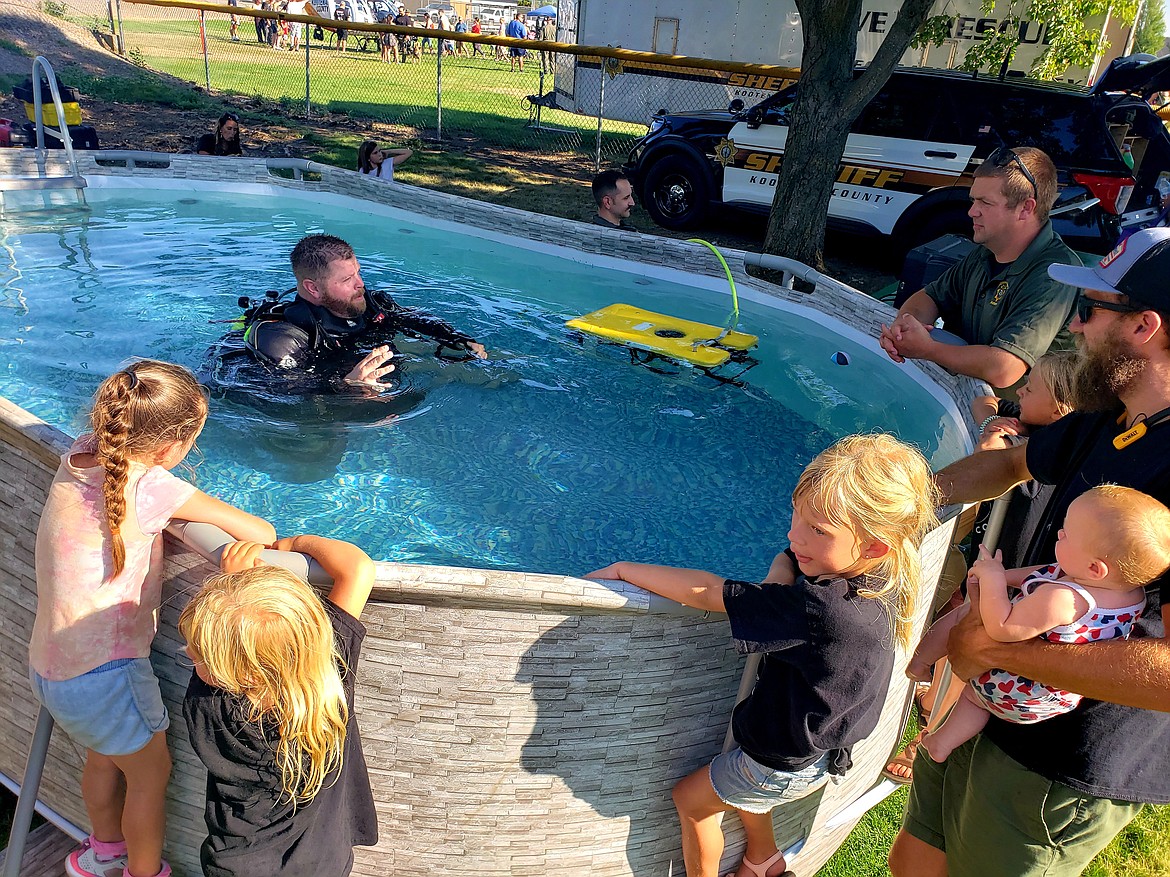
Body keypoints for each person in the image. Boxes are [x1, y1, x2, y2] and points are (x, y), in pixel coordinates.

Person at [888, 226, 1170, 877]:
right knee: (913, 863)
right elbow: (1013, 462)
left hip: (1060, 756)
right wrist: (896, 510)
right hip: (993, 697)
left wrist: (997, 647)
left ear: (1144, 326)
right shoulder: (1116, 411)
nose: (1073, 324)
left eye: (1092, 309)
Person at [589, 434, 939, 877]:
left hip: (779, 762)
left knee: (693, 801)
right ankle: (763, 860)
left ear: (874, 545)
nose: (795, 536)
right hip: (820, 749)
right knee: (743, 786)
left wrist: (625, 571)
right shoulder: (884, 575)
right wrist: (786, 568)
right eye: (797, 515)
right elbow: (790, 570)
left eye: (818, 531)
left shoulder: (818, 608)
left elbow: (708, 592)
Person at [29, 360, 276, 877]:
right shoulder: (154, 488)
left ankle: (101, 855)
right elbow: (259, 529)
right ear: (171, 448)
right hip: (108, 675)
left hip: (50, 668)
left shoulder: (80, 454)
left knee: (104, 757)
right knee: (148, 777)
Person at [882, 349, 1080, 785]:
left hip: (1017, 580)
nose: (1021, 392)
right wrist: (993, 425)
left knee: (972, 653)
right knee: (954, 627)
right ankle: (930, 689)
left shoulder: (1056, 459)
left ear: (1061, 410)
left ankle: (933, 732)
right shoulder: (1031, 418)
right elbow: (984, 402)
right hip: (988, 563)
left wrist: (1002, 450)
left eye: (1031, 390)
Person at [913, 485, 1165, 764]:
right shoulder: (1128, 594)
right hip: (1054, 696)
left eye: (1067, 534)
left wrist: (993, 578)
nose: (1059, 533)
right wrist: (1008, 576)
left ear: (1095, 568)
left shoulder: (1062, 598)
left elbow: (1001, 627)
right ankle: (941, 743)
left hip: (1014, 687)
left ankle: (920, 662)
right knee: (974, 699)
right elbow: (1045, 573)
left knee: (968, 618)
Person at [181, 535, 377, 877]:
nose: (188, 655)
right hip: (323, 860)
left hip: (239, 864)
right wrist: (291, 543)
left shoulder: (208, 706)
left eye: (201, 656)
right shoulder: (329, 676)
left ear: (238, 674)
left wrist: (233, 581)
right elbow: (356, 568)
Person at [879, 147, 1080, 389]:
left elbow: (1004, 369)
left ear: (1026, 208)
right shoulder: (987, 252)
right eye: (973, 200)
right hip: (971, 397)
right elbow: (929, 297)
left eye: (985, 202)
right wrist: (905, 329)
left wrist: (928, 349)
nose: (972, 211)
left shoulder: (1054, 275)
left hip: (1019, 416)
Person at [243, 234, 487, 394]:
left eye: (358, 273)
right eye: (347, 279)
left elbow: (415, 319)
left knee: (485, 367)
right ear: (313, 288)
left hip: (381, 365)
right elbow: (283, 395)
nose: (360, 284)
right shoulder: (281, 338)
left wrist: (457, 337)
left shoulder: (370, 303)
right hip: (337, 385)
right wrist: (346, 387)